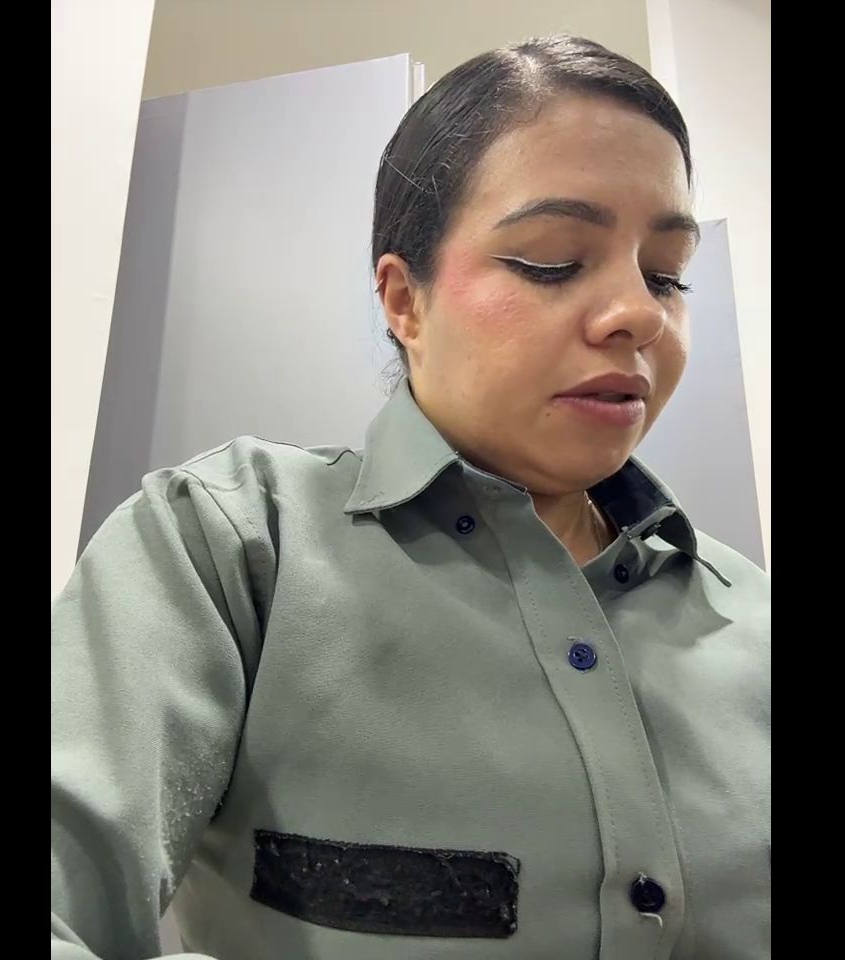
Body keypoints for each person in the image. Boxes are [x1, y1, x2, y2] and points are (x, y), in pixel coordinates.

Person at [51, 35, 770, 960]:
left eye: (667, 274)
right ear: (404, 301)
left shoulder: (751, 617)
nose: (639, 313)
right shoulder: (227, 550)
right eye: (554, 260)